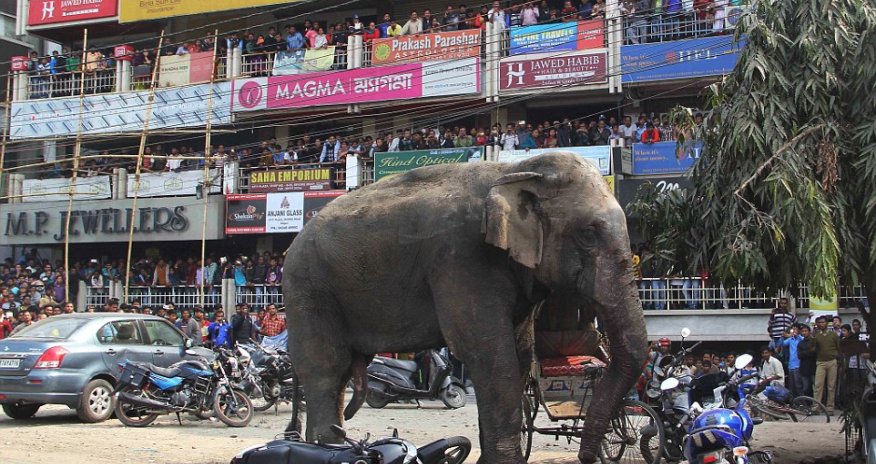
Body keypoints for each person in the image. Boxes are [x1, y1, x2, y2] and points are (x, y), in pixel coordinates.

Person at [811, 316, 840, 413]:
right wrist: (813, 336)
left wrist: (838, 360)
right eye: (819, 322)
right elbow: (812, 349)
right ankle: (816, 407)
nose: (821, 324)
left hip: (832, 361)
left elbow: (838, 347)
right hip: (820, 362)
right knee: (818, 385)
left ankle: (830, 408)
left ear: (827, 323)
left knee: (831, 386)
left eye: (823, 322)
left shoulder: (833, 335)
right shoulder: (816, 335)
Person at [781, 327, 804, 396]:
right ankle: (793, 401)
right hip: (791, 366)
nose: (794, 331)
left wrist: (797, 334)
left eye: (795, 329)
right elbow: (783, 343)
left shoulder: (800, 339)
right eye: (792, 329)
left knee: (798, 385)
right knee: (792, 386)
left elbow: (803, 339)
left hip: (798, 365)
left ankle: (801, 401)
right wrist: (783, 336)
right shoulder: (790, 339)